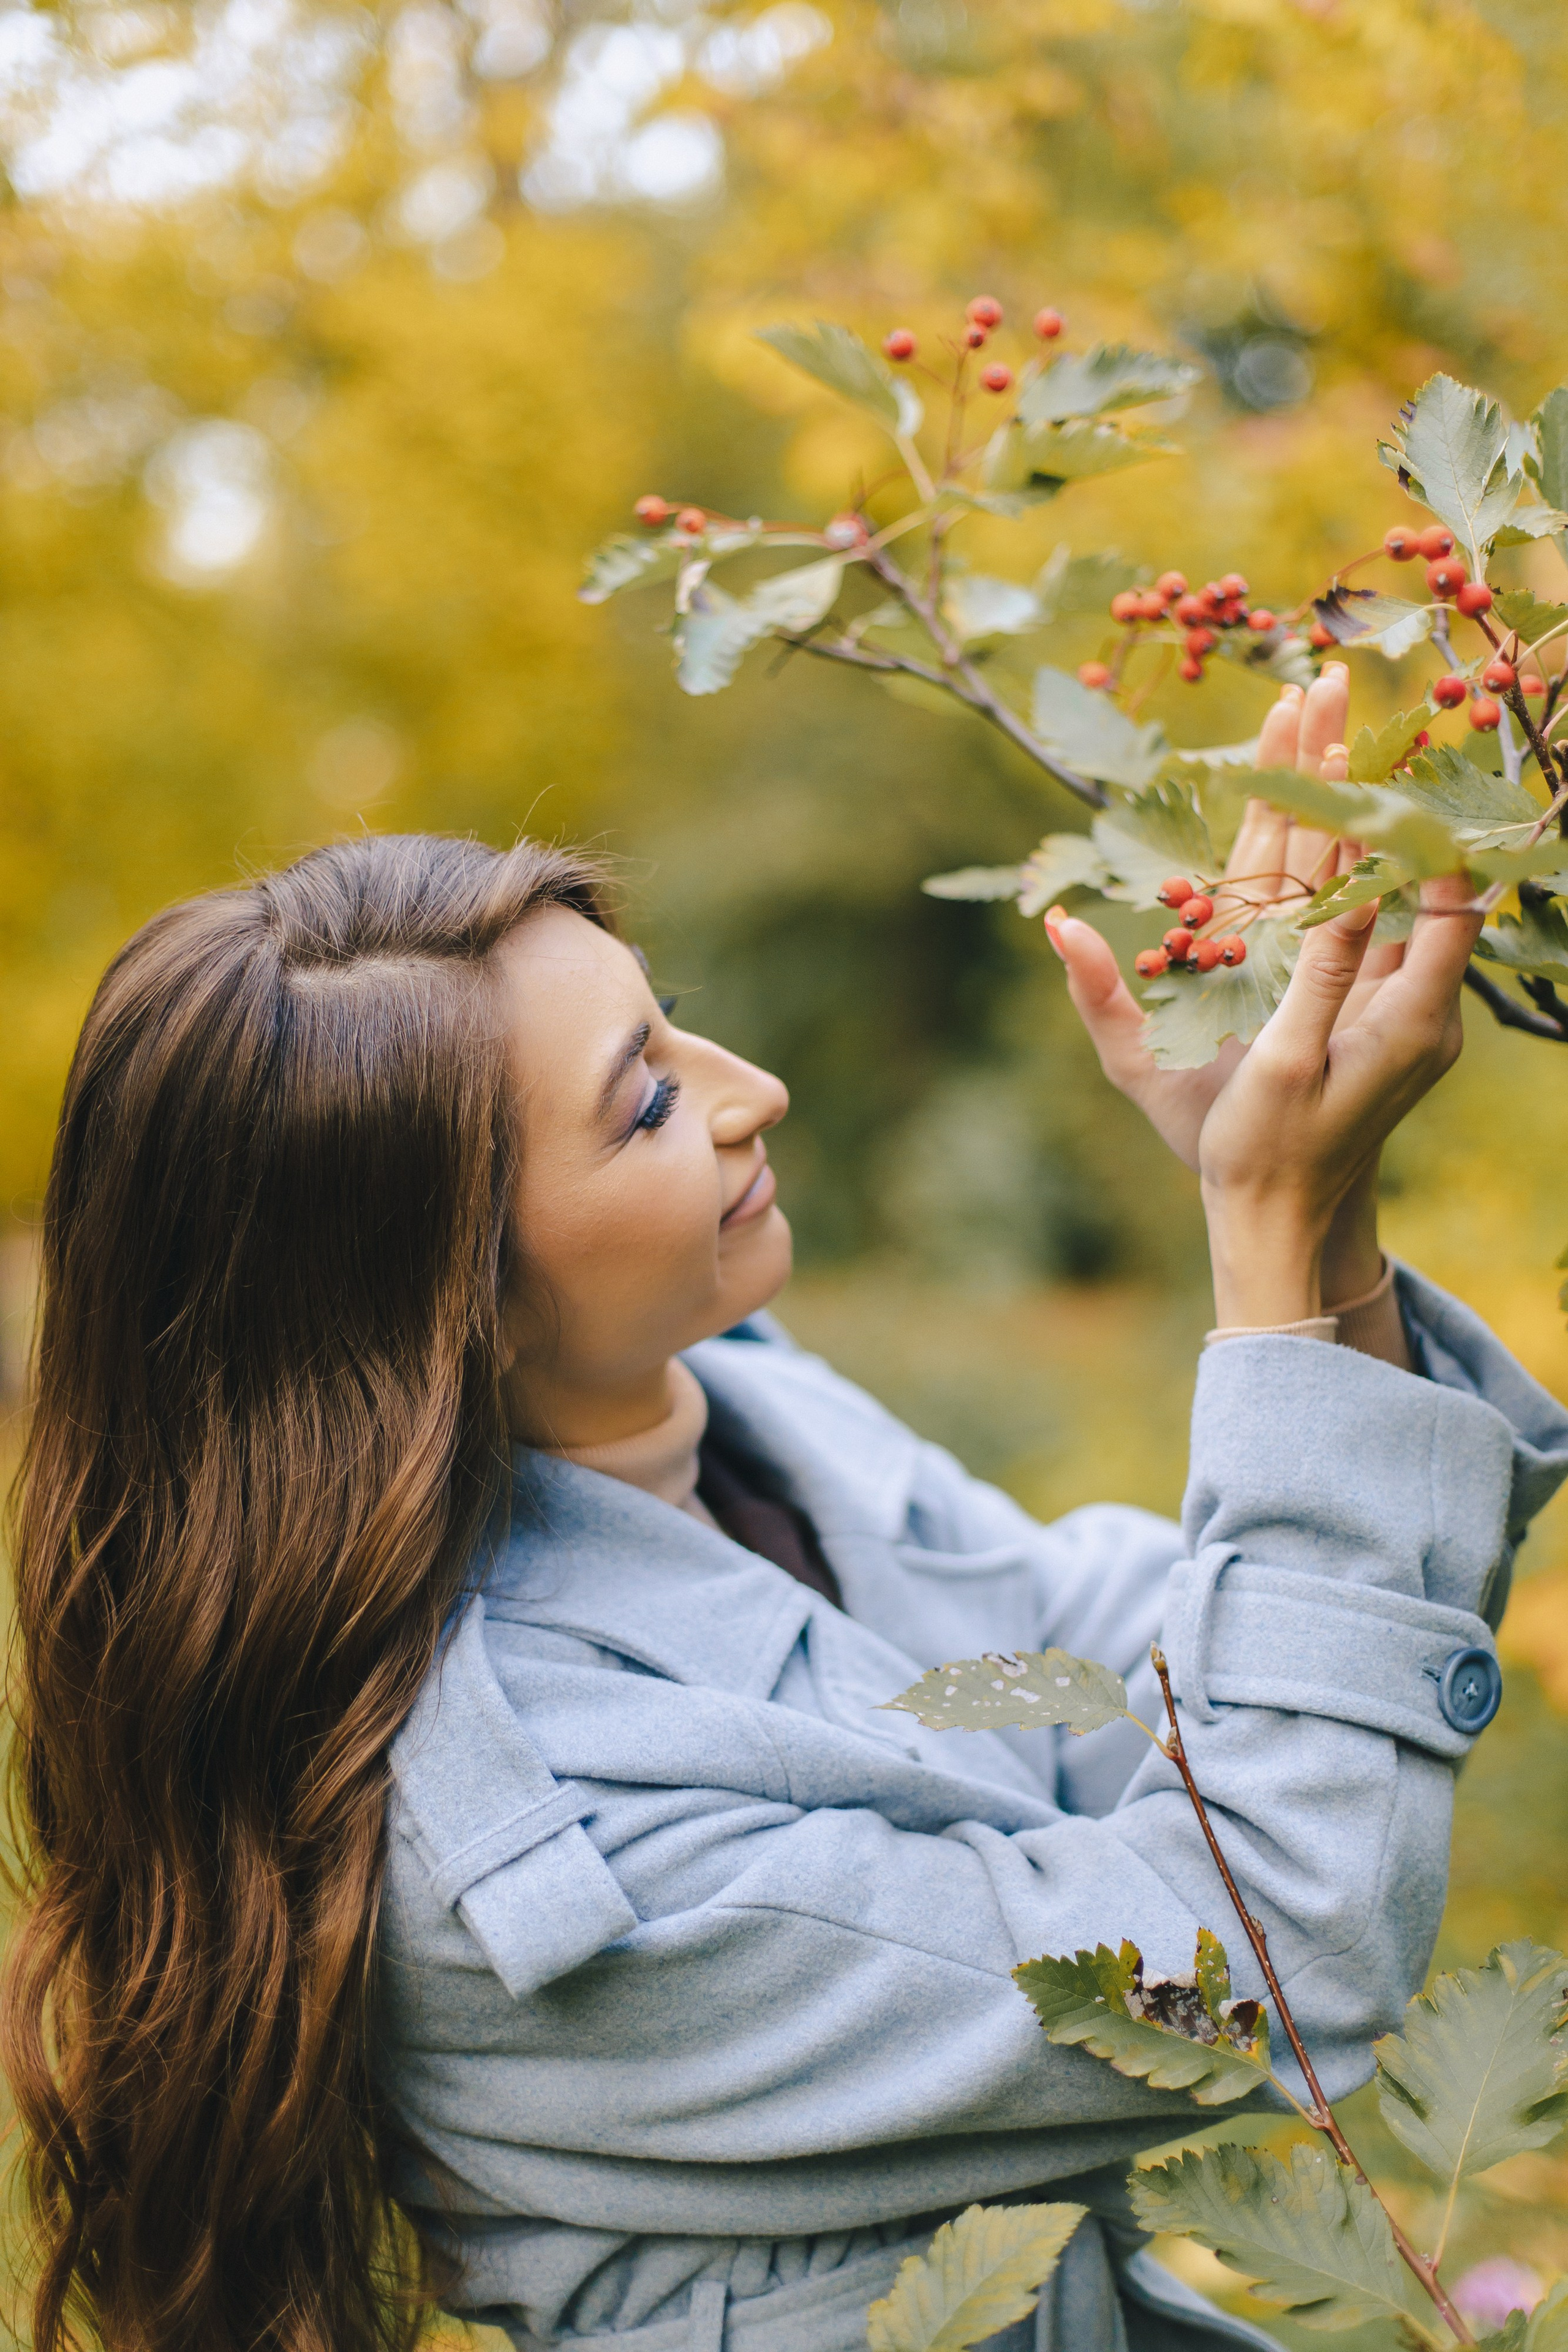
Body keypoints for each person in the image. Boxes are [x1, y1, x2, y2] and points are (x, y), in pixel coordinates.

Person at [6, 669, 1566, 2352]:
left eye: (668, 1019)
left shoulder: (745, 1418)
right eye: (652, 1100)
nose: (752, 1087)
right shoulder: (559, 1857)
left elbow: (1131, 1677)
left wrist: (1304, 1227)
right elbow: (1239, 1979)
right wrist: (1265, 1251)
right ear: (431, 1305)